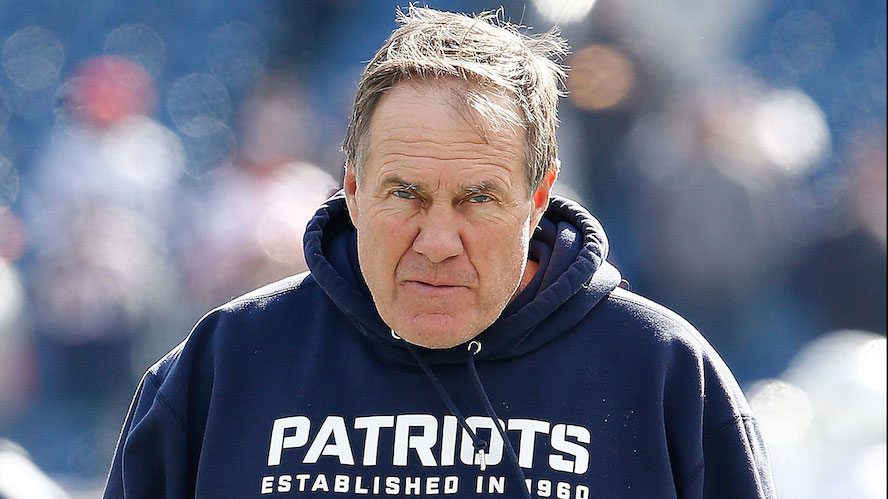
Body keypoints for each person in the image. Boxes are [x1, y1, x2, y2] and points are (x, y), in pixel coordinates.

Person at [103, 7, 774, 498]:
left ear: (538, 199)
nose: (438, 242)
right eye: (406, 194)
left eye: (478, 198)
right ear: (353, 189)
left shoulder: (663, 377)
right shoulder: (221, 368)